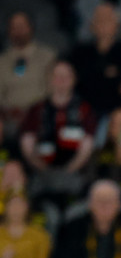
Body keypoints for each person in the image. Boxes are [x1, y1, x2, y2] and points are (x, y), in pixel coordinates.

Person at [19, 59, 96, 205]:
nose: (61, 80)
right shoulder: (37, 110)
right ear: (49, 79)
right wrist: (45, 170)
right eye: (57, 76)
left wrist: (67, 171)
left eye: (66, 76)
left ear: (74, 80)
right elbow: (27, 147)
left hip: (75, 174)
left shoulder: (84, 110)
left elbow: (87, 148)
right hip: (41, 173)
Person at [70, 3, 121, 119]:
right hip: (83, 114)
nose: (102, 23)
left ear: (117, 25)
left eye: (108, 19)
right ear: (91, 25)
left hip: (119, 115)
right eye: (98, 19)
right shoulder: (78, 53)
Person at [0, 12, 57, 136]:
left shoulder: (47, 56)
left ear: (31, 27)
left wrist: (32, 112)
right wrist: (7, 112)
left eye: (22, 26)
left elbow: (52, 91)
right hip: (8, 119)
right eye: (14, 27)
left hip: (39, 116)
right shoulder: (2, 60)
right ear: (8, 30)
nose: (19, 31)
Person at [0, 191, 51, 258]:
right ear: (5, 208)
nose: (16, 209)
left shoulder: (40, 235)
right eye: (12, 205)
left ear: (27, 208)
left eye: (20, 205)